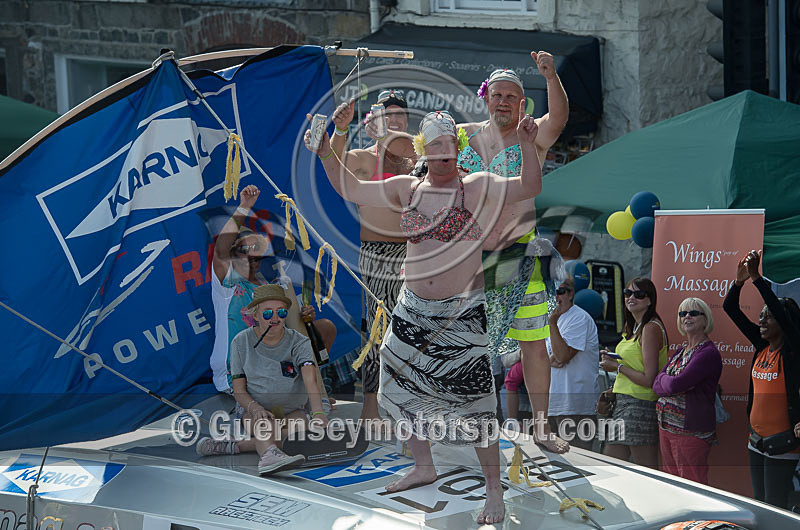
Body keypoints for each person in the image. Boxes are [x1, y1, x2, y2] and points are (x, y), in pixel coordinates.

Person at [307, 104, 542, 525]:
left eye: (449, 154)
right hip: (412, 308)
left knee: (475, 401)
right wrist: (327, 150)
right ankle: (423, 464)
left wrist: (527, 145)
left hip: (461, 313)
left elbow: (528, 186)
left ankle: (493, 490)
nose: (442, 162)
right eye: (434, 154)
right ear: (424, 153)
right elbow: (351, 187)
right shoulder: (406, 189)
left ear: (458, 151)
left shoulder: (478, 187)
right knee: (397, 386)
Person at [458, 52, 570, 453]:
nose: (503, 101)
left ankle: (540, 427)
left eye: (512, 96)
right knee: (465, 343)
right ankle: (469, 424)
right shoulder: (462, 136)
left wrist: (550, 75)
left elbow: (558, 118)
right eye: (498, 95)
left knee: (534, 343)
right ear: (485, 98)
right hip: (470, 257)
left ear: (522, 104)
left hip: (519, 255)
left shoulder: (531, 134)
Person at [330, 90, 416, 421]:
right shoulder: (365, 158)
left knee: (411, 329)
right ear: (374, 121)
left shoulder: (413, 159)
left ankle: (407, 404)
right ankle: (370, 407)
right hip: (378, 253)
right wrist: (339, 131)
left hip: (413, 252)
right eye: (387, 116)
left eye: (400, 116)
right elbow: (334, 166)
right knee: (380, 328)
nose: (394, 121)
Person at [209, 184, 336, 394]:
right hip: (237, 371)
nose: (252, 255)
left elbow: (285, 332)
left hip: (267, 365)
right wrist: (244, 207)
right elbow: (221, 249)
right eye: (244, 250)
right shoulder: (228, 285)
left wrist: (305, 320)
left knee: (325, 328)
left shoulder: (271, 288)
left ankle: (314, 389)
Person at [197, 285, 329, 474]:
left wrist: (318, 414)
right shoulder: (240, 342)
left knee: (304, 434)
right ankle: (268, 456)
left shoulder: (300, 341)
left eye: (281, 312)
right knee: (265, 424)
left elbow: (310, 380)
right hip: (256, 410)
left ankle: (235, 445)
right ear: (255, 316)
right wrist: (255, 408)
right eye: (268, 314)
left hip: (292, 411)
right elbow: (239, 390)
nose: (275, 318)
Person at [723, 250, 800, 508]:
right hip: (756, 441)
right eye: (761, 314)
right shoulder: (761, 345)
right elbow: (729, 308)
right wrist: (739, 282)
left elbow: (782, 312)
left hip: (784, 443)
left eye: (769, 315)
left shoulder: (793, 350)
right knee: (759, 504)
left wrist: (757, 278)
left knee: (775, 505)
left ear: (785, 321)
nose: (762, 319)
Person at [600, 278, 669, 469]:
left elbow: (649, 378)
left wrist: (618, 367)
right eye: (627, 293)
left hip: (640, 406)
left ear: (650, 300)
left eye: (639, 295)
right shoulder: (634, 328)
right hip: (624, 404)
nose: (631, 298)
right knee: (610, 467)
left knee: (646, 471)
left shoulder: (650, 328)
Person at [653, 297, 722, 485]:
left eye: (693, 313)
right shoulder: (681, 351)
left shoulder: (707, 353)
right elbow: (656, 384)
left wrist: (670, 383)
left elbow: (676, 385)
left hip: (689, 432)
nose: (687, 317)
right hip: (666, 426)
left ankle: (699, 517)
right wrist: (671, 383)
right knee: (672, 483)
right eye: (683, 313)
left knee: (692, 484)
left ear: (705, 319)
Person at [545, 276, 601, 451]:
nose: (555, 297)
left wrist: (552, 322)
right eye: (550, 292)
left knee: (577, 463)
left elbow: (561, 357)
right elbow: (542, 360)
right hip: (552, 404)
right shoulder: (551, 318)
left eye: (560, 292)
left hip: (574, 405)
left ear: (570, 294)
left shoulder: (578, 318)